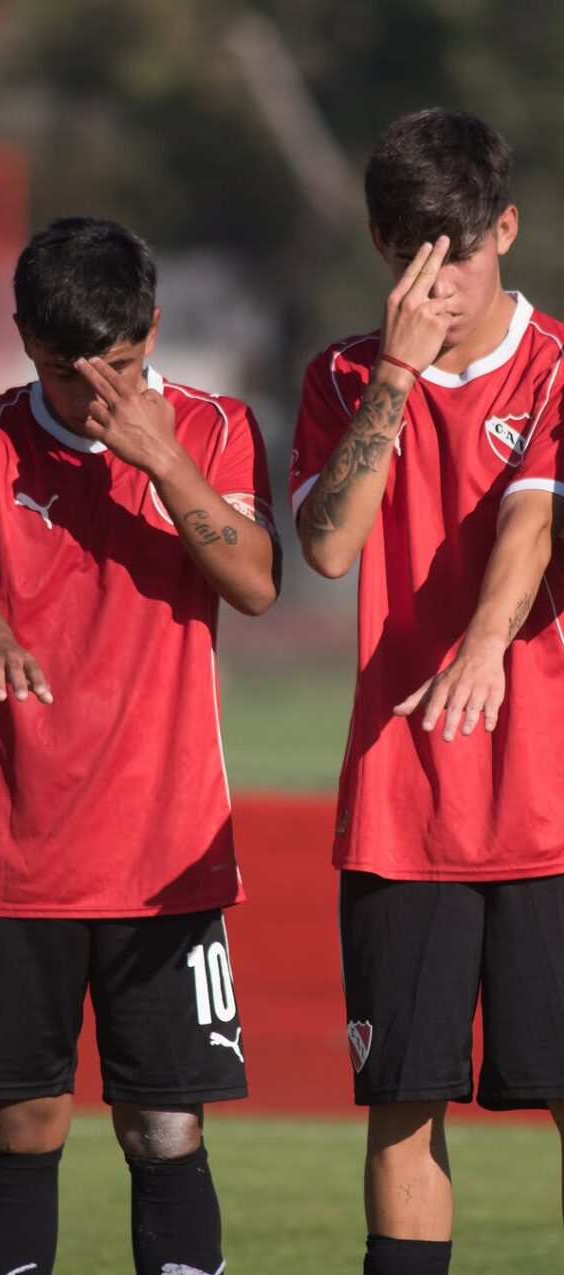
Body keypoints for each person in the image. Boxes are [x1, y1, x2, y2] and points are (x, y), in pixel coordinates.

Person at [0, 216, 280, 1275]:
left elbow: (255, 582)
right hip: (18, 851)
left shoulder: (213, 427)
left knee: (165, 1128)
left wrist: (160, 458)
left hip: (166, 854)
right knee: (23, 1122)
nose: (91, 396)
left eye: (115, 367)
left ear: (152, 329)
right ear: (25, 338)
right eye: (65, 373)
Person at [291, 107, 564, 1275]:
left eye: (458, 252)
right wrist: (395, 377)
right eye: (413, 256)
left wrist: (485, 644)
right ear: (379, 245)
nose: (437, 283)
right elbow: (327, 548)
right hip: (401, 814)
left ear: (505, 228)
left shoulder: (557, 368)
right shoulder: (341, 376)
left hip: (549, 809)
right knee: (401, 1106)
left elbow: (532, 520)